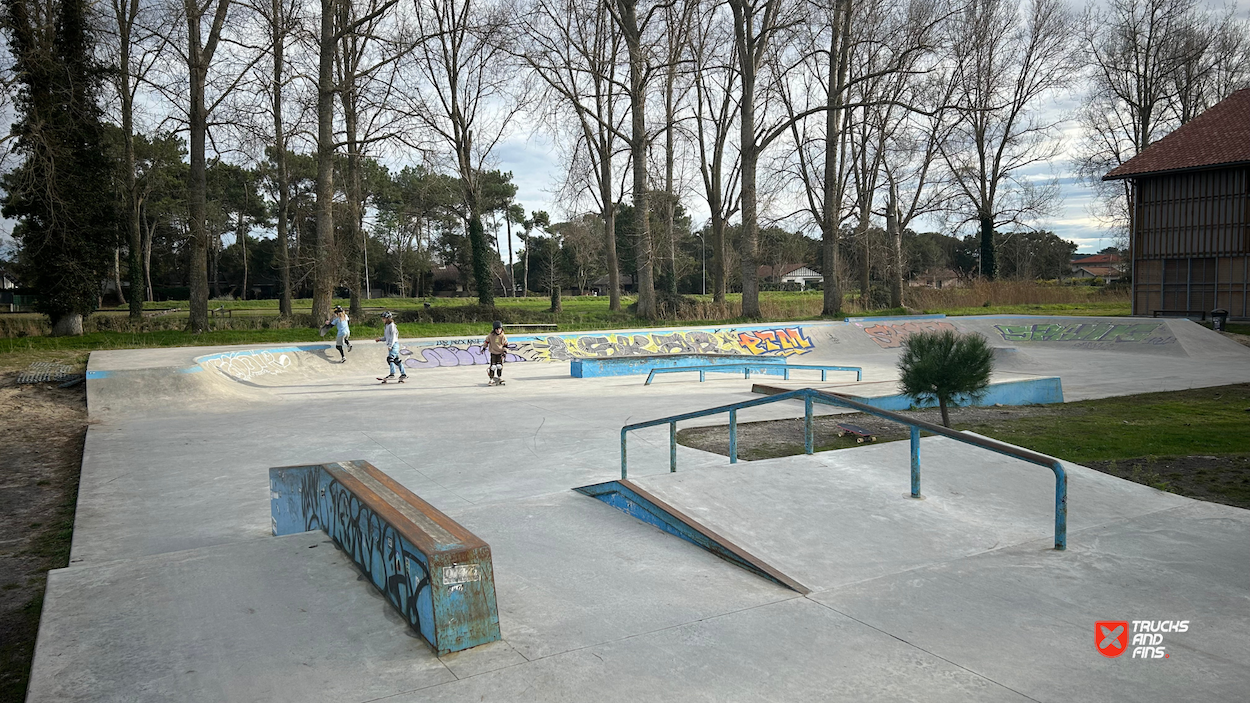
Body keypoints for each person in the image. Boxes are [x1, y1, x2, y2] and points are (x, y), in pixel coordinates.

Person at [375, 312, 407, 383]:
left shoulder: (392, 326)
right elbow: (387, 337)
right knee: (396, 360)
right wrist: (380, 339)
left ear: (388, 318)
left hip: (394, 345)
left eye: (384, 318)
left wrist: (390, 345)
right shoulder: (386, 326)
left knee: (390, 359)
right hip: (392, 345)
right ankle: (403, 374)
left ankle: (392, 374)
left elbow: (393, 337)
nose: (382, 320)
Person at [481, 320, 508, 386]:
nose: (498, 331)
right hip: (493, 353)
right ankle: (491, 379)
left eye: (500, 329)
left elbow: (505, 345)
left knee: (499, 366)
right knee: (492, 367)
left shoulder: (503, 336)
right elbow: (486, 342)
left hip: (500, 353)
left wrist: (504, 352)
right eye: (497, 329)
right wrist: (484, 348)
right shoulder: (491, 335)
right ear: (494, 330)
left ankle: (499, 377)